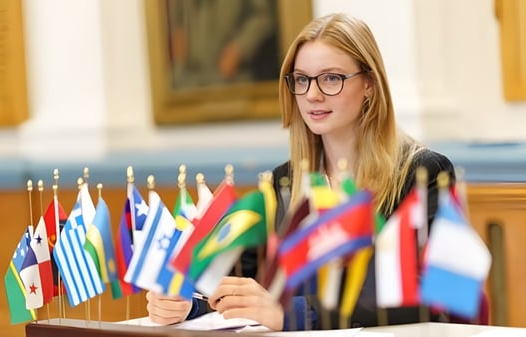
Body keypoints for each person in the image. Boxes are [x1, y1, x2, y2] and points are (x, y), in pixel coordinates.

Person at [146, 12, 456, 330]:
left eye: (331, 78)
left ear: (369, 85)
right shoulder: (284, 182)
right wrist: (187, 302)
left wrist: (291, 314)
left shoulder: (424, 173)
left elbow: (426, 292)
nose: (312, 94)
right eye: (302, 79)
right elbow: (242, 280)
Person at [168, 0, 279, 89]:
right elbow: (178, 24)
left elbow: (263, 15)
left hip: (234, 80)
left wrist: (239, 48)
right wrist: (180, 64)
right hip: (190, 81)